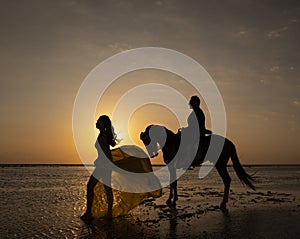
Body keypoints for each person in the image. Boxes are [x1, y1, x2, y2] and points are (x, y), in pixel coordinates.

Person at [81, 115, 117, 223]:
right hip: (106, 165)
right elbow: (106, 152)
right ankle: (109, 213)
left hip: (103, 165)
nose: (96, 122)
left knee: (90, 186)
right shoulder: (103, 135)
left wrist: (99, 161)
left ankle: (89, 213)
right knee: (107, 188)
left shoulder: (102, 136)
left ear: (103, 124)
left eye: (99, 121)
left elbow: (105, 153)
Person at [187, 96, 211, 166]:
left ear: (196, 103)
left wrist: (187, 129)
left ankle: (191, 159)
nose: (190, 103)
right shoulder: (195, 112)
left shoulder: (198, 112)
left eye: (192, 102)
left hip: (197, 133)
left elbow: (196, 126)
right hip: (194, 132)